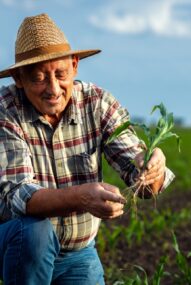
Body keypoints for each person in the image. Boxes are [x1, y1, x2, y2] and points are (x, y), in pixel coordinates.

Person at [0, 13, 174, 285]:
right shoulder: (6, 111)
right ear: (18, 78)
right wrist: (82, 197)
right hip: (18, 244)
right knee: (35, 231)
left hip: (78, 253)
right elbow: (20, 197)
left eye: (61, 74)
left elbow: (140, 177)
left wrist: (151, 167)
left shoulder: (97, 104)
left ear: (75, 65)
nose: (53, 89)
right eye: (38, 78)